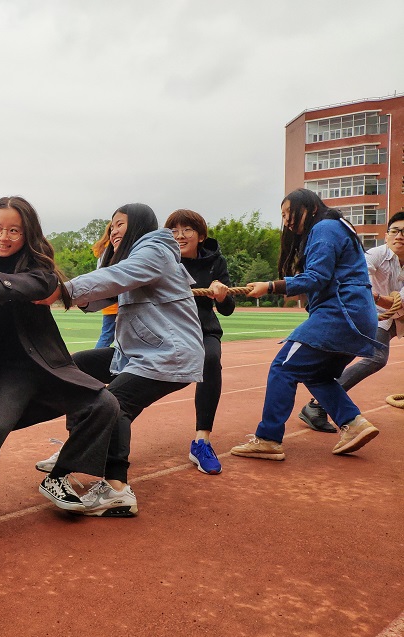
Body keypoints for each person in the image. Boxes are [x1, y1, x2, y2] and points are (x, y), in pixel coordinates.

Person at [0, 196, 119, 540]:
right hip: (8, 371)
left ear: (27, 233)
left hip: (49, 366)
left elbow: (41, 283)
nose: (3, 237)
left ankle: (58, 477)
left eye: (13, 231)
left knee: (103, 404)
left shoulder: (38, 264)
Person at [37, 203, 204, 514]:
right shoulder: (136, 259)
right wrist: (57, 294)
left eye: (120, 224)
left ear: (139, 225)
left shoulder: (155, 250)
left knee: (115, 404)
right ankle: (78, 448)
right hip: (142, 352)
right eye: (111, 225)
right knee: (77, 367)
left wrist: (63, 290)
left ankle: (117, 490)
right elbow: (105, 292)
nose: (113, 231)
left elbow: (116, 276)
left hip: (170, 354)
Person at [231, 188, 380, 461]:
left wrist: (271, 286)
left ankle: (268, 438)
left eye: (289, 212)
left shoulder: (324, 228)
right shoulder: (336, 227)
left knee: (283, 367)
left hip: (340, 315)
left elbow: (317, 277)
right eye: (282, 215)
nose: (286, 220)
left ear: (310, 208)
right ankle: (354, 423)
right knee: (316, 375)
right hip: (355, 316)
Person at [298, 210, 404, 431]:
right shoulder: (375, 254)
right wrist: (371, 295)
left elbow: (399, 303)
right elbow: (359, 274)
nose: (399, 236)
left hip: (398, 313)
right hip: (374, 316)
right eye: (395, 231)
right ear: (386, 235)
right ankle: (318, 404)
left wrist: (379, 297)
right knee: (376, 358)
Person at [164, 209, 234, 474]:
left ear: (201, 236)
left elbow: (228, 309)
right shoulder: (162, 259)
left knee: (211, 358)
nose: (180, 235)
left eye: (187, 230)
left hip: (203, 329)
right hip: (168, 330)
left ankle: (202, 441)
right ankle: (107, 437)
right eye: (174, 230)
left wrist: (221, 295)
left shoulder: (216, 262)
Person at [89, 222, 118, 349]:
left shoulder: (103, 249)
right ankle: (94, 359)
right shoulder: (114, 248)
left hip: (107, 298)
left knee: (107, 335)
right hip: (116, 300)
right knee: (108, 336)